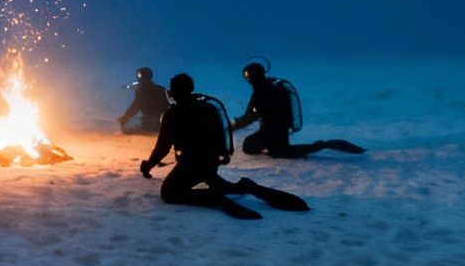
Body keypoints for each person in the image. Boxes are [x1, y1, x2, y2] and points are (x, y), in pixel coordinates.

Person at [140, 73, 307, 218]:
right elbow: (221, 136)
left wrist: (148, 166)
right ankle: (247, 187)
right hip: (210, 163)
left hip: (190, 164)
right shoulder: (208, 108)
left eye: (173, 88)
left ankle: (216, 198)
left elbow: (162, 148)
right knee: (216, 181)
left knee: (170, 193)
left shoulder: (172, 114)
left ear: (175, 91)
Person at [232, 62, 365, 158]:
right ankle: (319, 145)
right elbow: (253, 115)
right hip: (276, 128)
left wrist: (232, 125)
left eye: (249, 76)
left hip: (274, 129)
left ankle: (321, 145)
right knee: (253, 147)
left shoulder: (264, 91)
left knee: (276, 152)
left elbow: (251, 116)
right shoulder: (270, 87)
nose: (249, 80)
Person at [118, 66, 169, 134]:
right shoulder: (160, 89)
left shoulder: (142, 90)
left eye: (139, 76)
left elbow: (135, 106)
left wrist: (123, 120)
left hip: (150, 123)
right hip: (158, 122)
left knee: (127, 132)